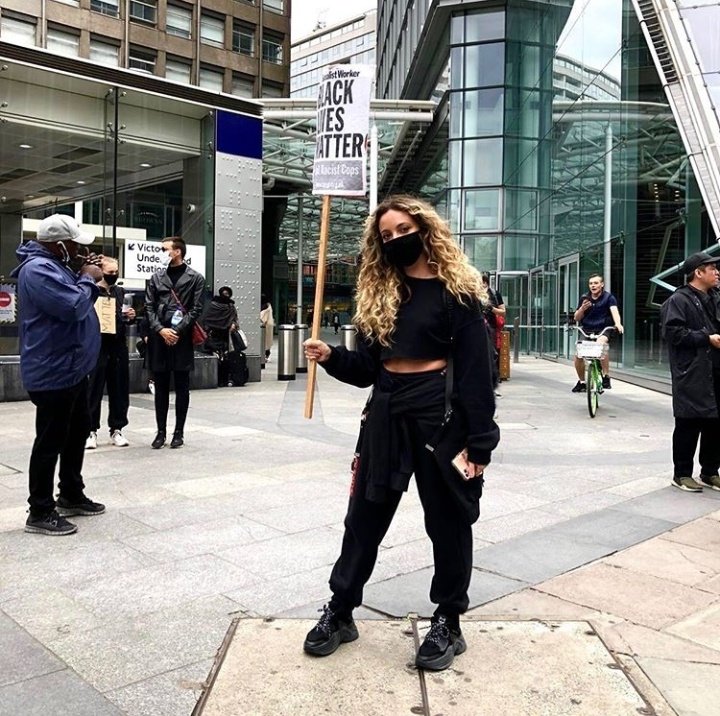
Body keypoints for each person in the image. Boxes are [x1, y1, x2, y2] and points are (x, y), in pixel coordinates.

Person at [302, 194, 499, 672]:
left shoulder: (462, 293)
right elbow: (368, 369)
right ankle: (341, 610)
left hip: (440, 415)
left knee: (448, 522)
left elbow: (477, 372)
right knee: (363, 519)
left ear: (424, 229)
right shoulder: (380, 295)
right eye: (385, 235)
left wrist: (480, 443)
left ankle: (449, 620)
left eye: (401, 230)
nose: (394, 240)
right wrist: (330, 357)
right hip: (386, 411)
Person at [11, 214, 106, 536]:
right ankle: (39, 509)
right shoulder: (38, 270)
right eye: (76, 244)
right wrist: (89, 278)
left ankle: (70, 493)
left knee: (77, 430)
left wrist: (84, 275)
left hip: (72, 367)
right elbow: (72, 308)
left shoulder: (56, 266)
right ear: (59, 243)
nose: (80, 250)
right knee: (50, 439)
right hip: (53, 368)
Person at [661, 251, 720, 492]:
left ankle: (710, 471)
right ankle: (682, 473)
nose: (717, 273)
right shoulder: (679, 300)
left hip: (715, 369)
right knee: (688, 422)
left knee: (716, 424)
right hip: (692, 372)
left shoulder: (716, 297)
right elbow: (673, 334)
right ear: (698, 272)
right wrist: (707, 338)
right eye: (712, 269)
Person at [145, 237, 205, 450]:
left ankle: (178, 432)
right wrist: (161, 330)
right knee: (160, 386)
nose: (162, 252)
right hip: (160, 338)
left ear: (177, 252)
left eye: (165, 249)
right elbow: (149, 307)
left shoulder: (195, 278)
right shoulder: (156, 277)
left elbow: (197, 308)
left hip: (182, 337)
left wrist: (177, 330)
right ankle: (160, 431)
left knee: (182, 386)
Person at [86, 257, 136, 449]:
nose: (113, 275)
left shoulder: (120, 292)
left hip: (117, 345)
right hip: (97, 345)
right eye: (110, 271)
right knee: (94, 389)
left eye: (116, 272)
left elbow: (126, 319)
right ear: (101, 270)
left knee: (119, 389)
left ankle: (117, 428)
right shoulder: (91, 291)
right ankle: (90, 430)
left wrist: (130, 317)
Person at [572, 273, 624, 392]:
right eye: (591, 283)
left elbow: (614, 311)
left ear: (602, 284)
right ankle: (582, 382)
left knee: (601, 346)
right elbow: (576, 318)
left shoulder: (608, 298)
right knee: (578, 355)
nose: (593, 286)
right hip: (587, 330)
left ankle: (606, 376)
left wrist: (618, 324)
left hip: (603, 329)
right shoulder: (584, 298)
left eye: (596, 283)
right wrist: (582, 309)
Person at [203, 286, 242, 386]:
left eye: (227, 294)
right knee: (222, 357)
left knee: (223, 358)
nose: (226, 296)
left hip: (223, 335)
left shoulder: (224, 305)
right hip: (219, 335)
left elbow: (207, 320)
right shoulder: (227, 306)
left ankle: (222, 379)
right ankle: (221, 379)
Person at [480, 273, 506, 394]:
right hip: (478, 327)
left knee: (493, 354)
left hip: (492, 328)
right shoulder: (473, 294)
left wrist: (491, 308)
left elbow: (503, 312)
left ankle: (492, 383)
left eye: (484, 283)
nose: (482, 285)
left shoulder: (495, 294)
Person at [260, 294, 274, 360]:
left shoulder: (264, 307)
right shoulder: (269, 306)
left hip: (264, 326)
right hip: (269, 325)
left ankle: (265, 355)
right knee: (267, 342)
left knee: (264, 341)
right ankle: (266, 354)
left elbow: (262, 318)